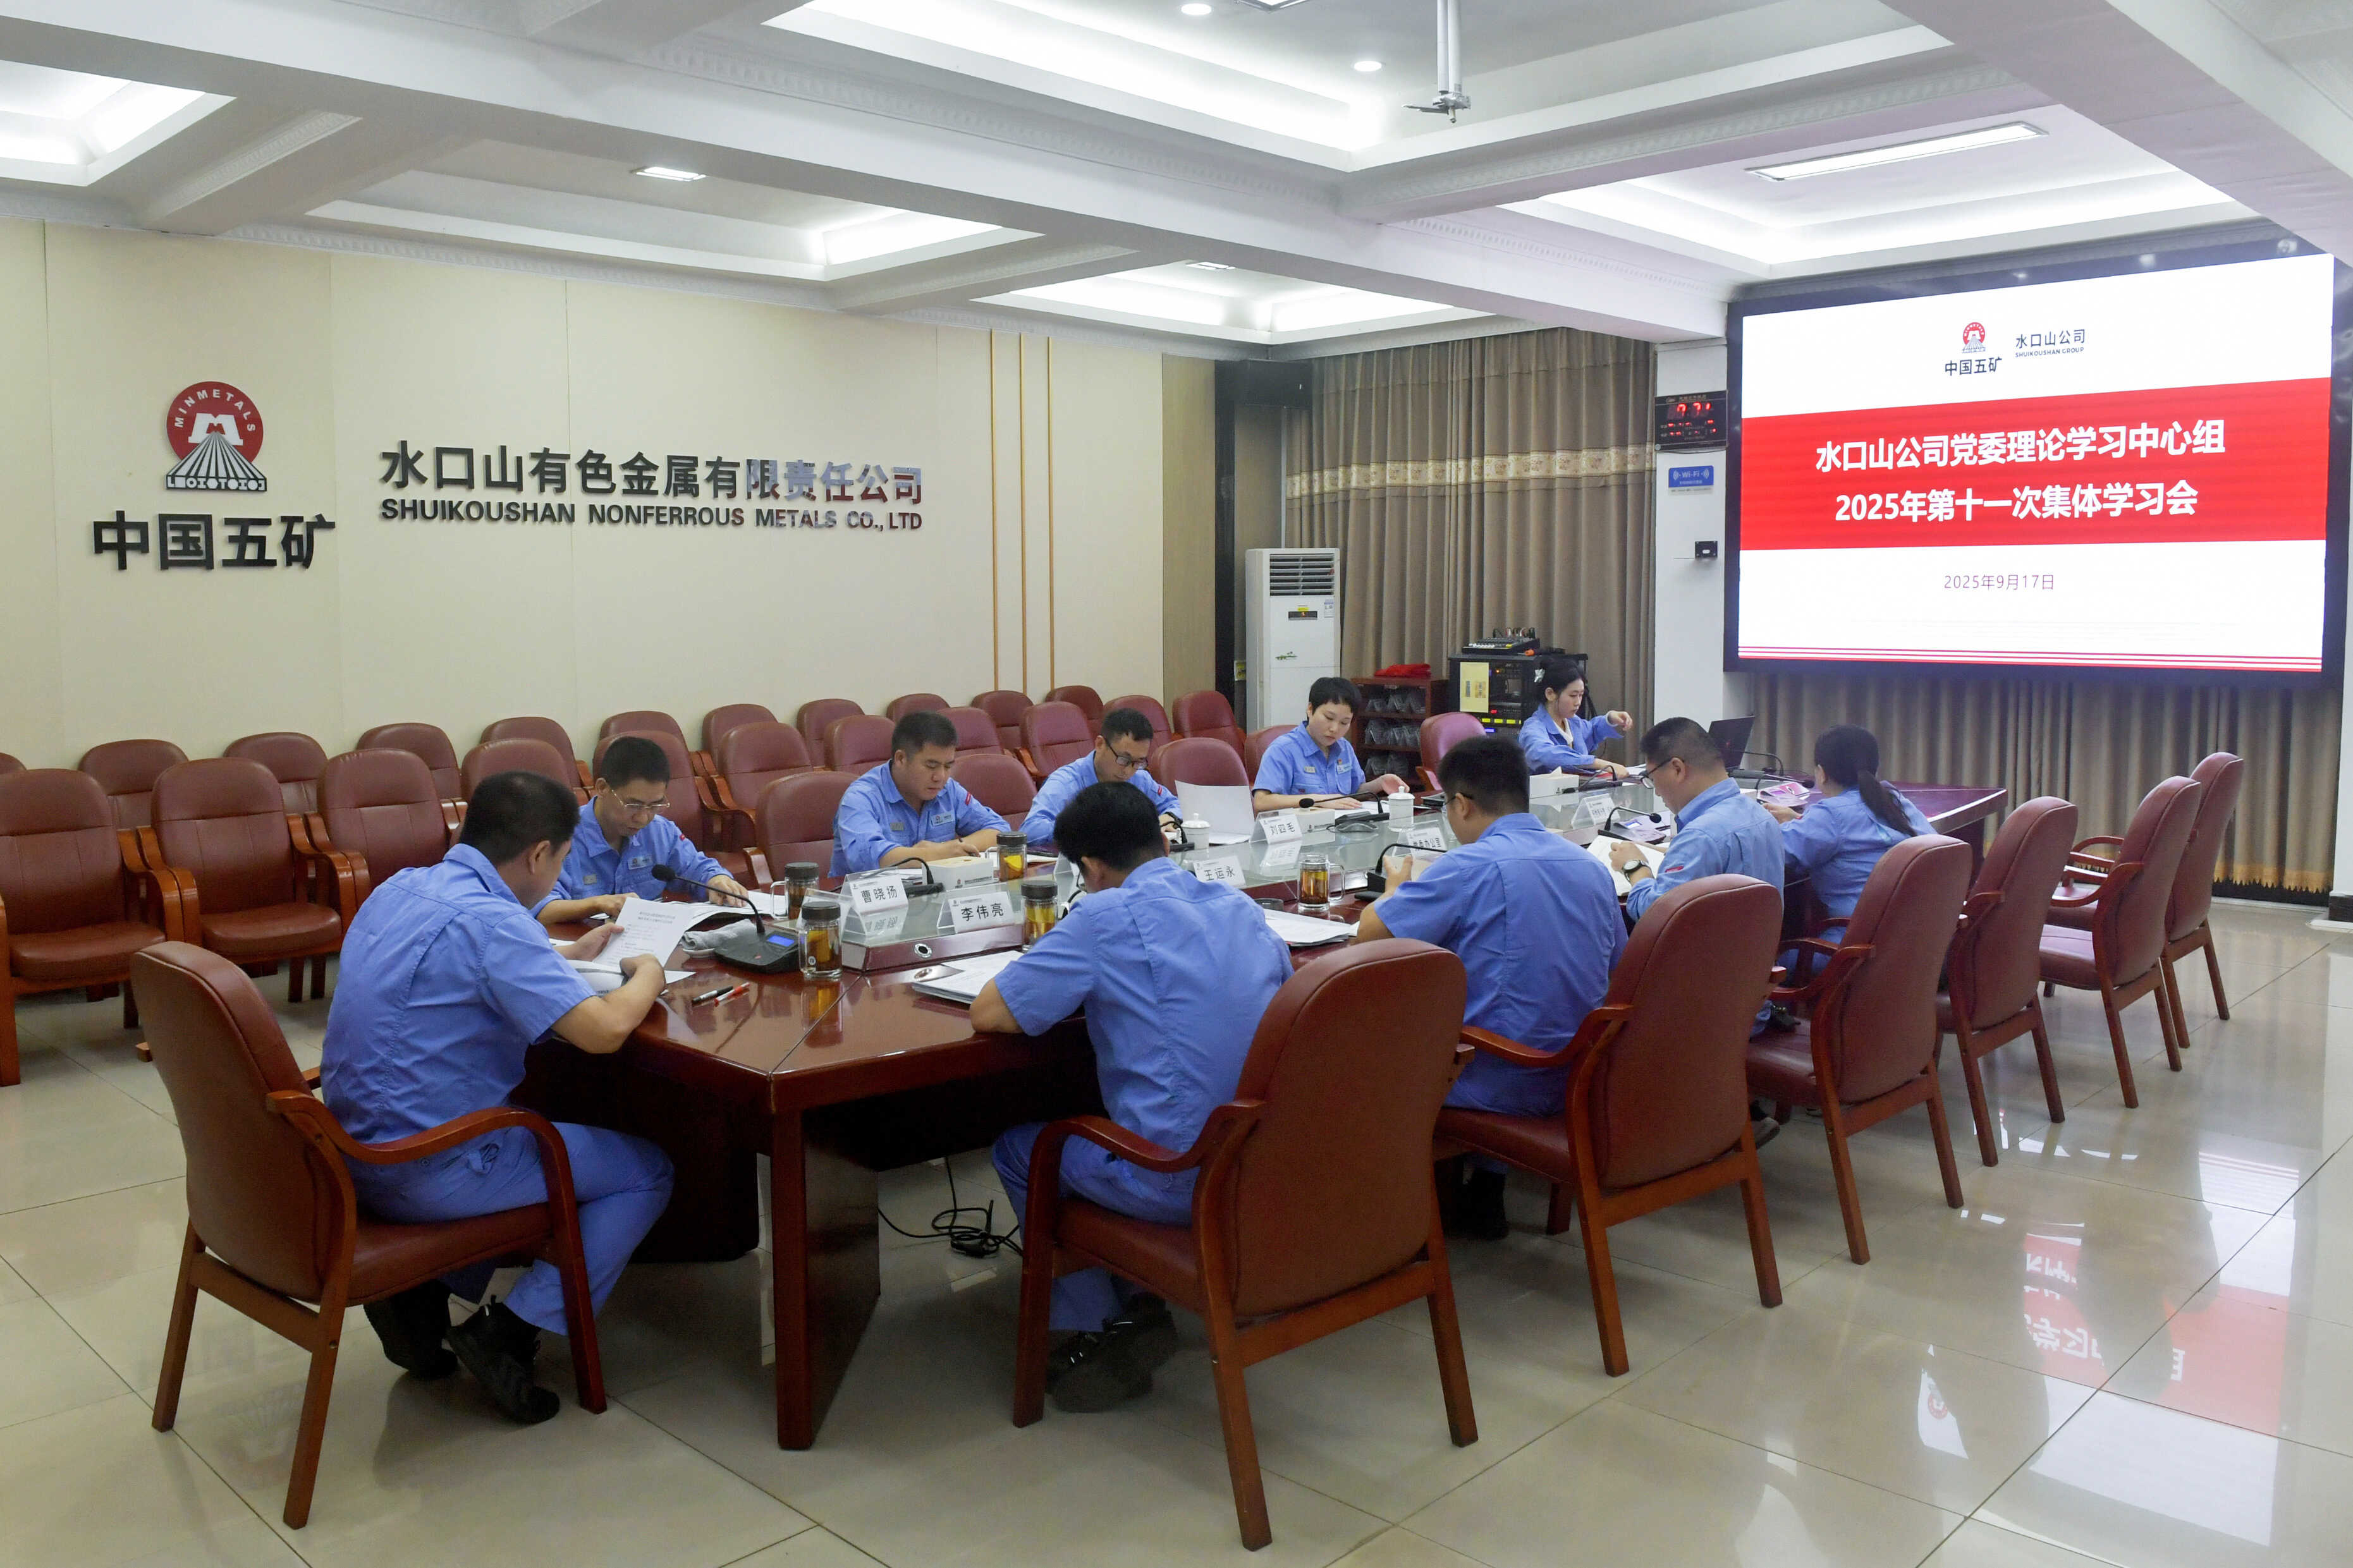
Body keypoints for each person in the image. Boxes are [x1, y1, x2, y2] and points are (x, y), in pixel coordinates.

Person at [319, 770, 675, 1425]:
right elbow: (603, 1033)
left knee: (525, 1118)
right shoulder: (494, 925)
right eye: (561, 861)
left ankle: (419, 1295)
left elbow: (461, 958)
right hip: (429, 1168)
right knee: (645, 1171)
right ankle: (508, 1332)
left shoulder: (400, 887)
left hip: (348, 1153)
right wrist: (648, 972)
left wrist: (557, 952)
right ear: (539, 854)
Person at [972, 781, 1292, 1413]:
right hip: (1260, 1159)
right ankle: (1137, 1295)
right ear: (1161, 841)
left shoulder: (1102, 916)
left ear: (1091, 868)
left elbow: (991, 1012)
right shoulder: (1237, 906)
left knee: (1022, 1148)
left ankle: (1099, 1327)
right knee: (1104, 1113)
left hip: (1180, 1178)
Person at [1357, 736, 1624, 1240]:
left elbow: (1369, 935)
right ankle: (1485, 1187)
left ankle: (1385, 1226)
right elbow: (1619, 967)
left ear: (1461, 804)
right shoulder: (1591, 867)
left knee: (1370, 1047)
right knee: (1501, 1000)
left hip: (1500, 1080)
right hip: (1579, 1072)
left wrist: (1394, 891)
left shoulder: (1470, 865)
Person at [540, 734, 745, 926]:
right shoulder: (560, 836)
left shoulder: (660, 831)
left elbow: (697, 868)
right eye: (634, 805)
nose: (643, 818)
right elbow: (541, 909)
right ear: (602, 788)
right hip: (578, 944)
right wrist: (597, 904)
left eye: (655, 805)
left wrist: (717, 880)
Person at [1611, 717, 1785, 924]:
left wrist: (1635, 867)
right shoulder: (1762, 817)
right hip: (1759, 944)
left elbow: (1653, 915)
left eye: (1652, 778)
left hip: (1705, 946)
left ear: (1677, 769)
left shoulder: (1700, 837)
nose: (1656, 791)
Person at [1768, 724, 1931, 921]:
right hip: (1913, 931)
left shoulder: (1829, 816)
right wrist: (1801, 821)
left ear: (1822, 773)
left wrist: (1764, 823)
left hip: (1857, 936)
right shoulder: (1896, 801)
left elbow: (1771, 852)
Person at [831, 709, 1009, 875]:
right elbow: (868, 858)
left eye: (948, 766)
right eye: (931, 766)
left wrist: (954, 847)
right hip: (864, 896)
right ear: (901, 759)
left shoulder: (948, 789)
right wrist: (939, 854)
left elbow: (1000, 831)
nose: (940, 777)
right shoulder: (861, 797)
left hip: (932, 893)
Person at [1024, 706, 1180, 847]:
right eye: (1123, 759)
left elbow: (1175, 804)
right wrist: (1088, 828)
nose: (1128, 771)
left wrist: (1168, 817)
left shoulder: (1140, 778)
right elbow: (1030, 831)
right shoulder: (1065, 782)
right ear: (1100, 744)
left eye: (1138, 762)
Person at [1252, 676, 1409, 810]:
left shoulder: (1344, 748)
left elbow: (1354, 792)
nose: (1335, 729)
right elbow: (1261, 801)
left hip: (1341, 828)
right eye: (1329, 718)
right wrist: (1318, 800)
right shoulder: (1283, 750)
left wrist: (1380, 783)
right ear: (1310, 709)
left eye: (1344, 722)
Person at [1517, 655, 1635, 775]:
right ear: (1550, 694)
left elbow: (1592, 730)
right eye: (1573, 696)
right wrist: (1597, 763)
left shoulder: (1573, 722)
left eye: (1581, 695)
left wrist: (1610, 719)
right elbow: (1545, 754)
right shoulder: (1533, 728)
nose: (1578, 702)